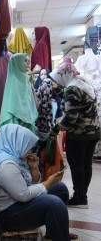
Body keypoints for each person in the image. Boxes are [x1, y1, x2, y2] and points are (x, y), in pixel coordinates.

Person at [0, 124, 75, 241]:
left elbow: (29, 185)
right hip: (8, 214)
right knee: (54, 204)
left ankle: (55, 230)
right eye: (28, 147)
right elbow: (23, 195)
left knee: (60, 188)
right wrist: (47, 183)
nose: (30, 151)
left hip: (16, 203)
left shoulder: (16, 159)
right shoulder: (6, 165)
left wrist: (34, 169)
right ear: (17, 143)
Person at [50, 62, 100, 208]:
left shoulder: (71, 89)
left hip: (80, 135)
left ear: (65, 75)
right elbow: (78, 102)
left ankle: (80, 198)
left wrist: (56, 129)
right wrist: (59, 91)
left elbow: (71, 118)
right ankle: (82, 196)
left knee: (77, 166)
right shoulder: (83, 84)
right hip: (93, 132)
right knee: (86, 164)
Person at [0, 53, 38, 132]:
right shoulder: (13, 80)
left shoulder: (25, 78)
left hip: (27, 120)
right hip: (16, 123)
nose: (28, 64)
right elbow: (14, 106)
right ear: (17, 63)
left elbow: (28, 99)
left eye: (28, 61)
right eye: (25, 61)